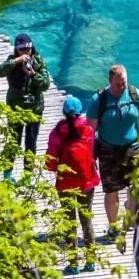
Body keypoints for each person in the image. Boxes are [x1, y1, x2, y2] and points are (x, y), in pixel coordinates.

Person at [86, 63, 139, 238]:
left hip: (133, 148)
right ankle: (113, 226)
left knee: (136, 186)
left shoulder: (136, 96)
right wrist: (90, 156)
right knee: (111, 190)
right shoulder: (98, 100)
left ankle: (128, 223)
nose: (121, 87)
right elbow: (90, 132)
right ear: (109, 81)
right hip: (107, 150)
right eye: (117, 84)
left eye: (123, 82)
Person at [44, 94, 99, 269]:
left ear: (64, 112)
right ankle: (91, 261)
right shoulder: (88, 130)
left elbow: (50, 162)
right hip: (86, 182)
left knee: (70, 222)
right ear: (81, 112)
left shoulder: (57, 132)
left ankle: (73, 263)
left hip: (65, 184)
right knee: (86, 220)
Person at [0, 32, 50, 167]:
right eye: (22, 49)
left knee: (31, 142)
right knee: (14, 140)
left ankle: (29, 174)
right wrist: (16, 61)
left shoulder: (38, 61)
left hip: (34, 108)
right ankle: (8, 171)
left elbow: (46, 85)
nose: (26, 52)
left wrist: (33, 74)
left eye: (28, 49)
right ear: (17, 50)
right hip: (15, 107)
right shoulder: (12, 61)